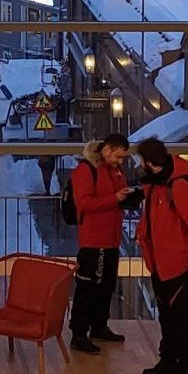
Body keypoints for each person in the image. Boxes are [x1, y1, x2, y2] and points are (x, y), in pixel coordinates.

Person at [128, 136, 188, 374]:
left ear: (147, 160)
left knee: (181, 319)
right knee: (166, 316)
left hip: (175, 264)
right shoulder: (156, 184)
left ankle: (186, 370)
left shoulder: (177, 186)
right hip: (159, 263)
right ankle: (169, 361)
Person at [65, 132, 131, 353]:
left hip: (111, 238)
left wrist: (128, 197)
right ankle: (79, 332)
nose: (120, 161)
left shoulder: (113, 170)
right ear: (107, 149)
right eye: (118, 156)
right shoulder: (86, 170)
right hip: (94, 240)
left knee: (106, 285)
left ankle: (99, 326)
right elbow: (83, 204)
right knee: (89, 287)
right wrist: (115, 198)